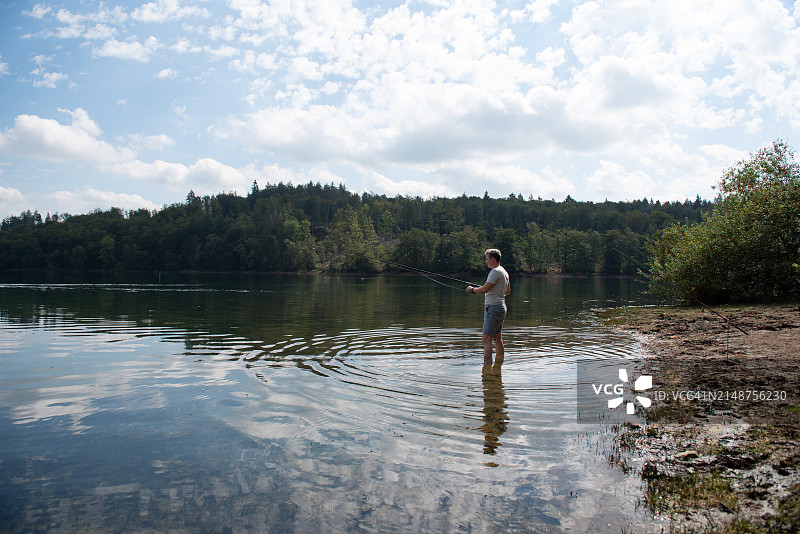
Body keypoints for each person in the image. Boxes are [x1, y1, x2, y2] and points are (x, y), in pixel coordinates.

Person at [466, 249, 510, 369]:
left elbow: (484, 289)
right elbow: (508, 291)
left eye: (487, 258)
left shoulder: (495, 272)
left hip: (493, 308)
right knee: (497, 337)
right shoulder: (504, 272)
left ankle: (487, 366)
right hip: (501, 307)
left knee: (486, 338)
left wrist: (472, 289)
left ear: (493, 259)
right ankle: (498, 366)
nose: (486, 261)